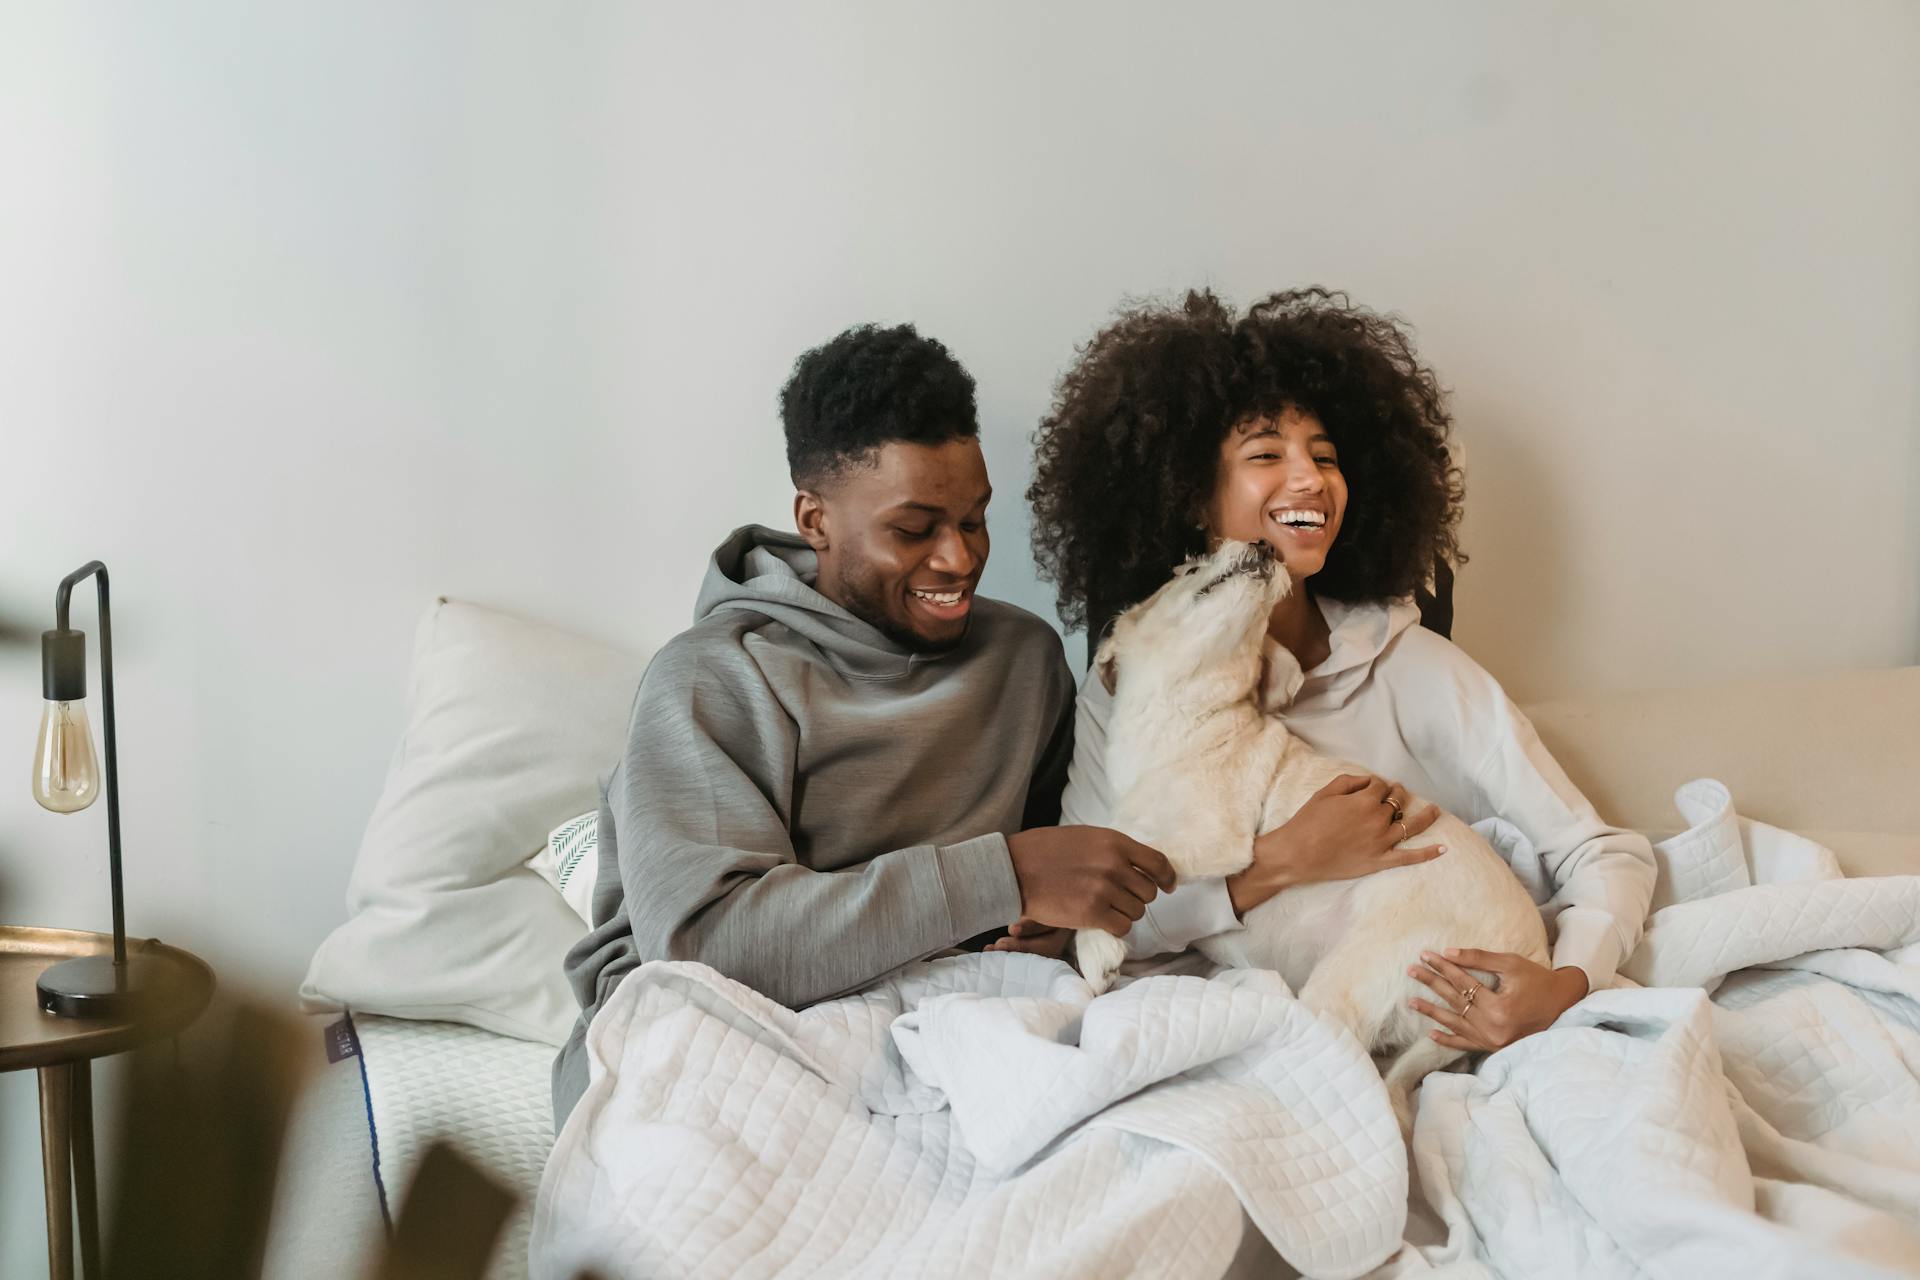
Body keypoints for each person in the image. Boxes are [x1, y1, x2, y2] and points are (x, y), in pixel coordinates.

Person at [552, 323, 1176, 1125]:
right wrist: (1006, 873)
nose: (958, 559)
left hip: (960, 1028)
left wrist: (1046, 925)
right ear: (815, 519)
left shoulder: (1023, 659)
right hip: (730, 1037)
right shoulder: (715, 676)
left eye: (976, 520)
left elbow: (1056, 875)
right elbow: (710, 946)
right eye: (914, 530)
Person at [1012, 288, 1656, 1053]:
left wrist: (1566, 985)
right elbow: (1103, 911)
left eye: (1326, 457)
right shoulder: (1126, 687)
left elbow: (1602, 852)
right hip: (1235, 1017)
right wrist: (1281, 863)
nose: (1312, 480)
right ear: (1189, 495)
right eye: (1266, 456)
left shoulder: (1410, 667)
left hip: (1408, 995)